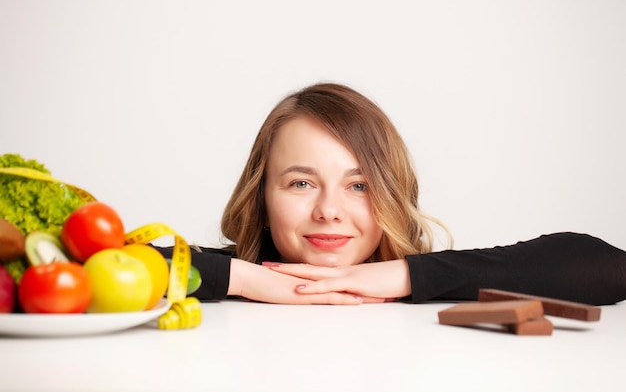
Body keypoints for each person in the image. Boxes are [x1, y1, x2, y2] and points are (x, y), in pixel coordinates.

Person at [155, 82, 626, 306]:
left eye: (358, 186)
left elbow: (607, 269)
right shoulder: (215, 277)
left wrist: (400, 277)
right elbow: (83, 266)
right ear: (260, 199)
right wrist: (248, 279)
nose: (329, 212)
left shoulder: (428, 286)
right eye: (301, 183)